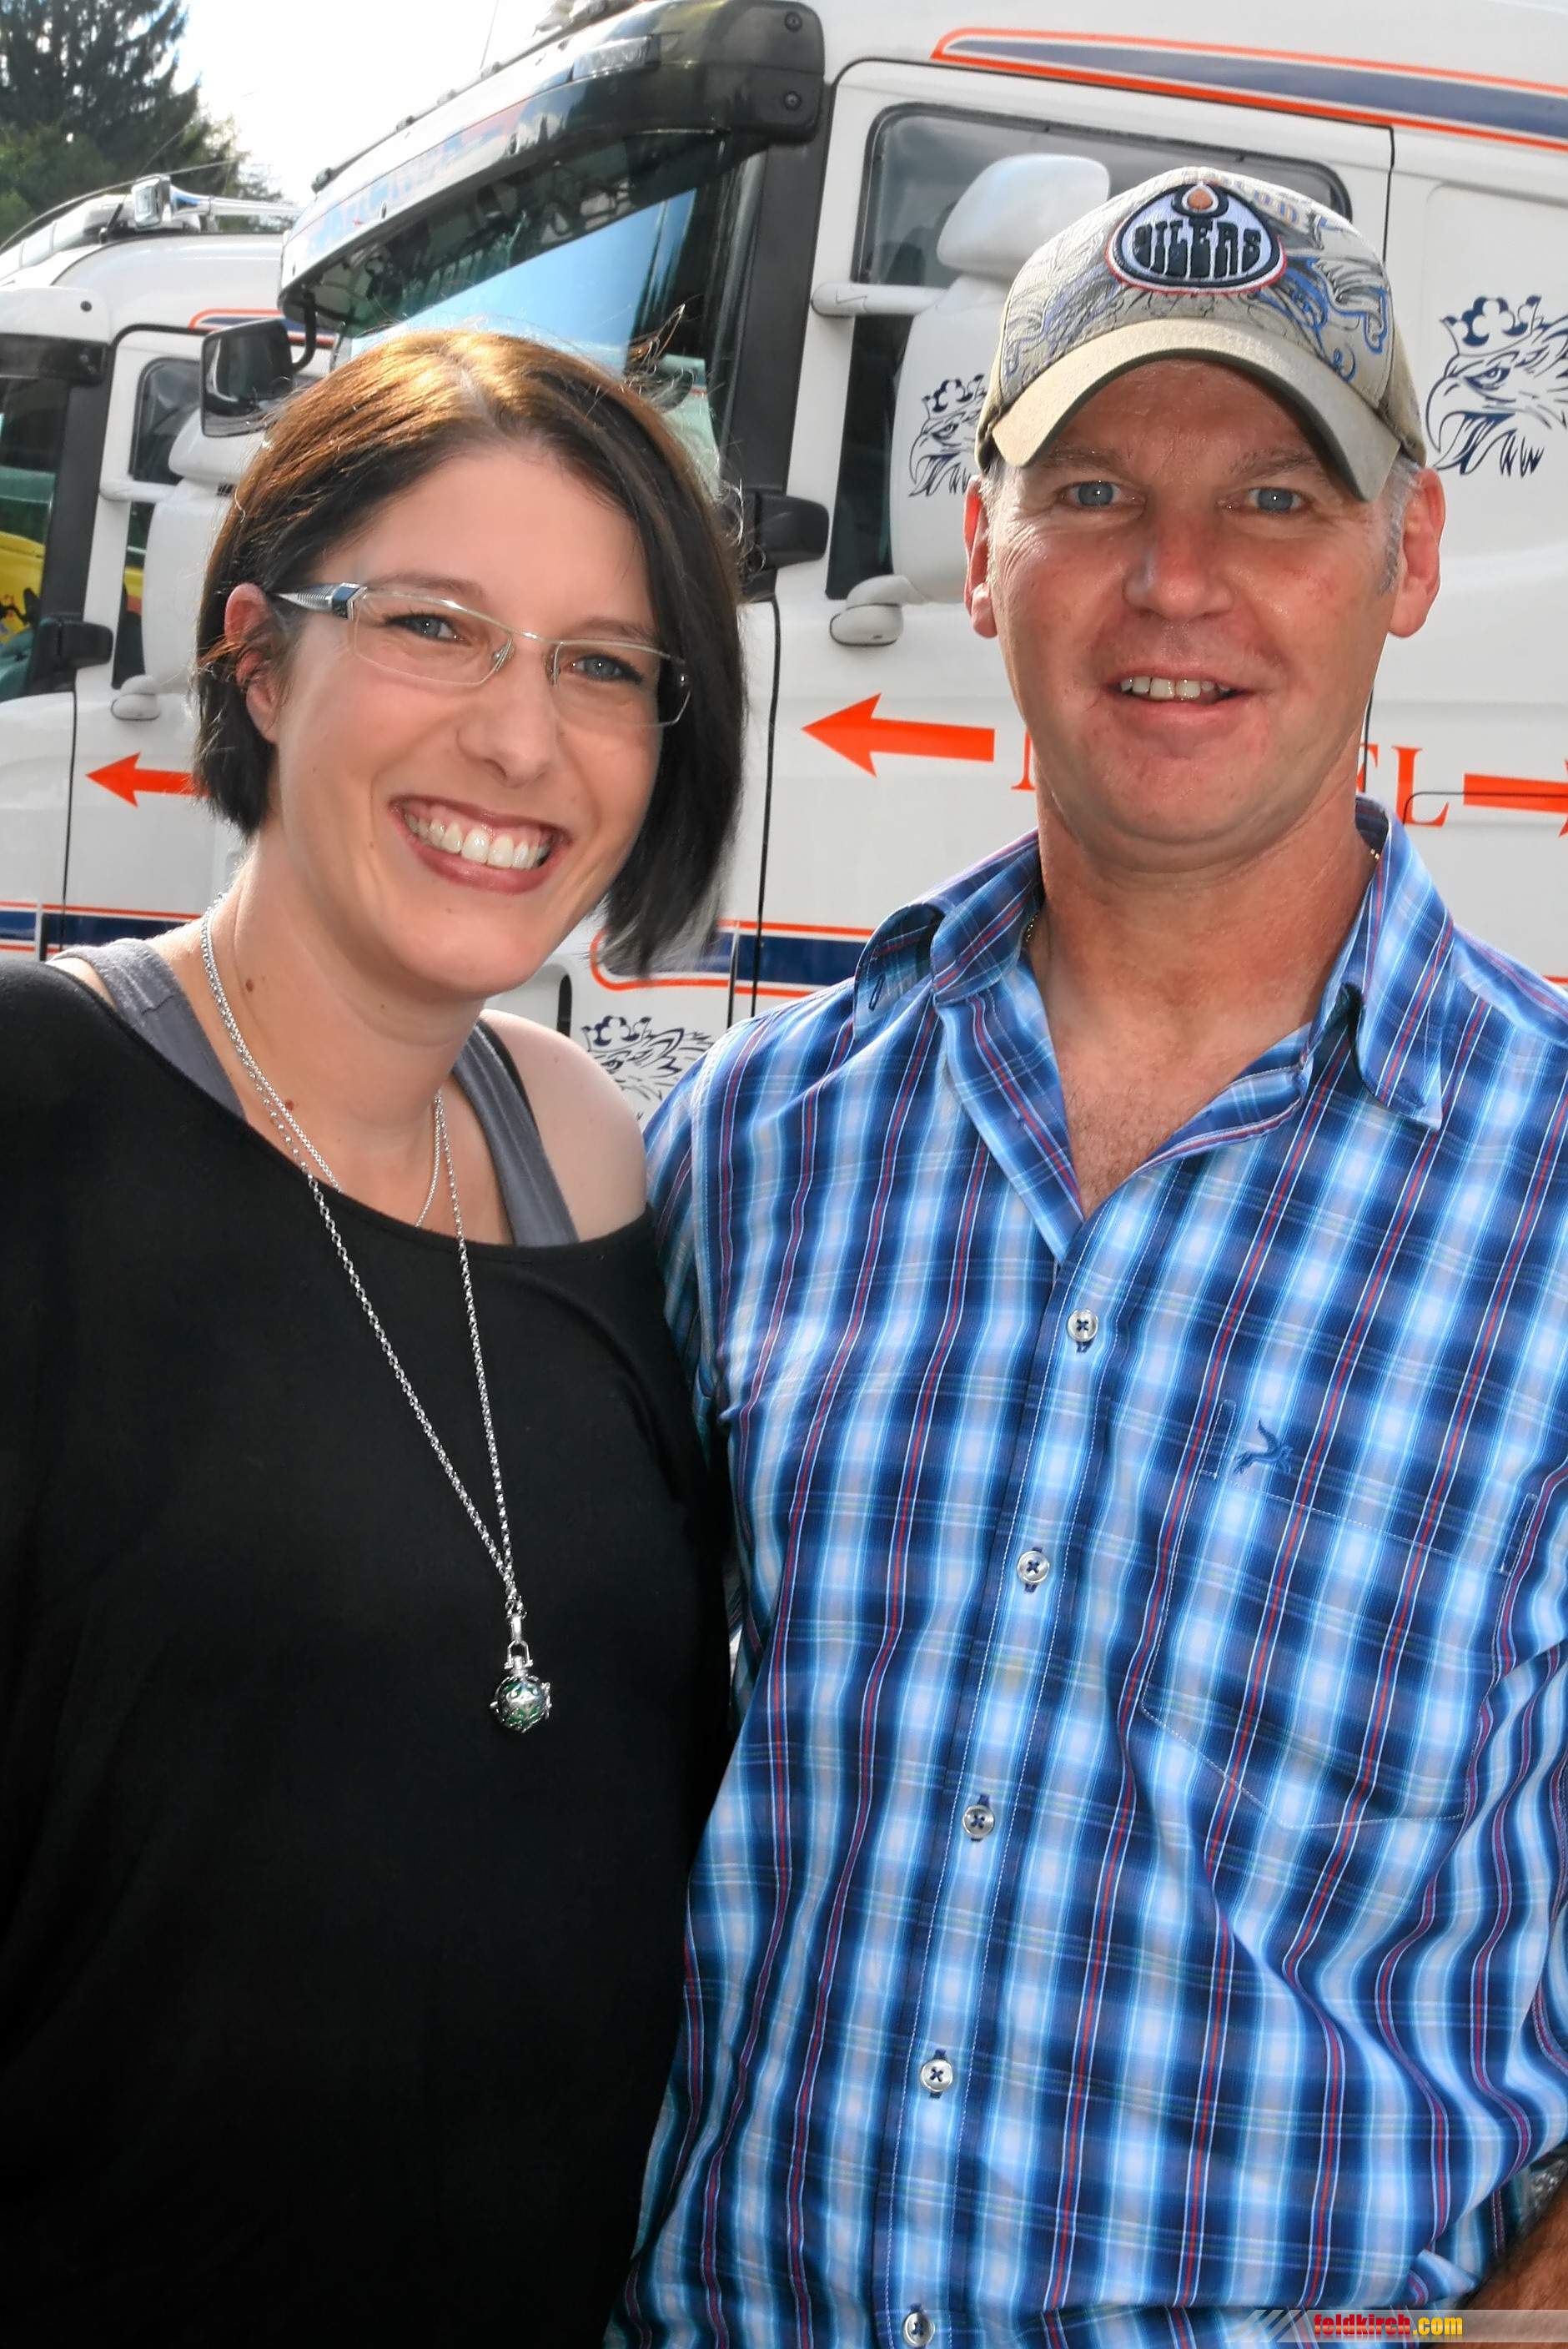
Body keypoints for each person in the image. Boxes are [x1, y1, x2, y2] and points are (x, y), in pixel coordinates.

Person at [612, 169, 1568, 2341]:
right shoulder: (754, 1150)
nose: (1176, 579)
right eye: (1094, 490)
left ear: (1412, 554)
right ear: (981, 546)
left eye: (1277, 501)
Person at [0, 329, 741, 2344]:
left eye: (605, 665)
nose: (522, 739)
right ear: (256, 656)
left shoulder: (588, 1155)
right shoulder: (36, 1116)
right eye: (433, 625)